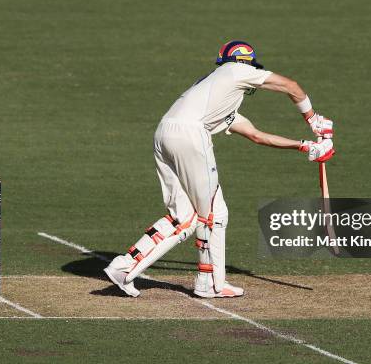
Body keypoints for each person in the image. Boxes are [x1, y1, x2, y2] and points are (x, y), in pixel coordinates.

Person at [104, 40, 334, 298]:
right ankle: (211, 283)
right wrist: (314, 120)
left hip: (164, 134)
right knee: (214, 213)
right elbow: (291, 86)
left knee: (185, 217)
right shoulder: (237, 70)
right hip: (191, 134)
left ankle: (124, 267)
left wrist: (306, 147)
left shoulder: (215, 95)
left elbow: (257, 136)